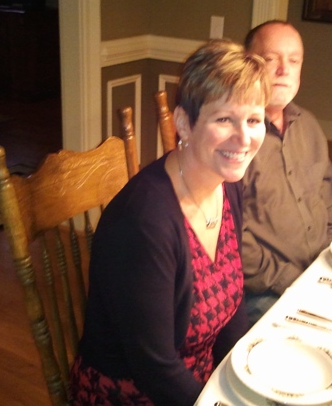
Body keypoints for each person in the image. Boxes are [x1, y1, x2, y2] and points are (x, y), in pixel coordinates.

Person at [69, 39, 271, 405]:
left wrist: (242, 380)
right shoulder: (145, 222)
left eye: (254, 120)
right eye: (224, 119)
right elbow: (154, 366)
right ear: (183, 124)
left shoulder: (227, 184)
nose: (244, 138)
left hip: (198, 381)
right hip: (135, 392)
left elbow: (232, 306)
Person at [241, 20, 332, 325]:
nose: (283, 70)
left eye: (294, 60)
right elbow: (231, 239)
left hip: (319, 272)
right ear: (247, 64)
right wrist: (294, 280)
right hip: (263, 291)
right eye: (271, 59)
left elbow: (328, 205)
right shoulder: (236, 141)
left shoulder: (309, 126)